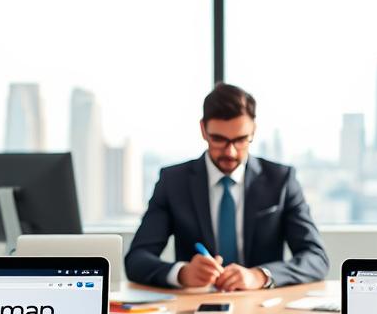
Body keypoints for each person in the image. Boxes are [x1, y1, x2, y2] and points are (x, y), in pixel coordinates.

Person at [125, 83, 329, 291]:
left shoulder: (281, 180)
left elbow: (316, 259)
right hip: (195, 307)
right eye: (219, 140)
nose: (230, 152)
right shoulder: (173, 181)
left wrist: (260, 276)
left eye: (240, 140)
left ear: (253, 131)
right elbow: (136, 259)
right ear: (203, 130)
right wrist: (182, 273)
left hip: (262, 308)